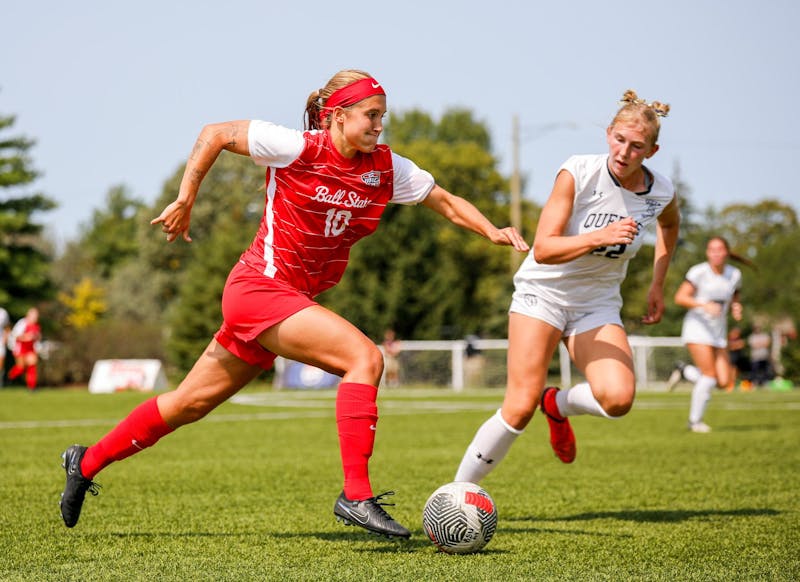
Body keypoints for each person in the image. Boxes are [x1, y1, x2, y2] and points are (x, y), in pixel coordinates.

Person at [58, 69, 529, 537]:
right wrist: (185, 199)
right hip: (257, 289)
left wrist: (490, 229)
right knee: (364, 358)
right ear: (338, 116)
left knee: (187, 404)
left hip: (283, 301)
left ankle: (86, 461)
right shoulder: (299, 147)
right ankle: (356, 494)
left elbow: (444, 200)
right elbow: (215, 134)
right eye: (370, 114)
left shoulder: (387, 168)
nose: (379, 124)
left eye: (383, 116)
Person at [454, 90, 680, 485]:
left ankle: (556, 404)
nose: (624, 152)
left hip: (596, 304)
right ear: (609, 133)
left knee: (618, 399)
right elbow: (543, 249)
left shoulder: (661, 191)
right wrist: (600, 235)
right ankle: (456, 493)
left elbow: (670, 225)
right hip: (542, 296)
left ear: (653, 151)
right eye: (619, 139)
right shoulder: (578, 171)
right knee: (520, 406)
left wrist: (658, 283)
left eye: (637, 146)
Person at [667, 237, 748, 432]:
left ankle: (685, 371)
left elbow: (735, 297)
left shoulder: (734, 274)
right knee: (710, 376)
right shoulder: (699, 272)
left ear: (727, 252)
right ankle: (695, 422)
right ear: (707, 253)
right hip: (697, 328)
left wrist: (737, 308)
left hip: (718, 332)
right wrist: (704, 305)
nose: (716, 253)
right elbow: (680, 297)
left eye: (720, 249)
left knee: (723, 381)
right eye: (712, 250)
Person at [8, 307, 41, 391]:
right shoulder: (22, 323)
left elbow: (38, 337)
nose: (35, 317)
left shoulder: (36, 326)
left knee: (32, 365)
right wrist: (26, 337)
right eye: (33, 315)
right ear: (28, 315)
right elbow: (15, 336)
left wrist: (36, 338)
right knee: (21, 367)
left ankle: (31, 387)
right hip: (20, 348)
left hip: (30, 349)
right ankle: (9, 377)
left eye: (36, 316)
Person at [725, 326, 748, 391]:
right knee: (730, 371)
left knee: (735, 372)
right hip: (730, 358)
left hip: (737, 359)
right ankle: (729, 385)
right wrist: (734, 345)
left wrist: (734, 345)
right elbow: (730, 346)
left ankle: (732, 385)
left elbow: (740, 345)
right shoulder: (728, 340)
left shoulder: (739, 340)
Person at [0, 306, 10, 387]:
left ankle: (0, 382)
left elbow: (7, 327)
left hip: (0, 342)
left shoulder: (3, 313)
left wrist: (6, 338)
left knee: (1, 363)